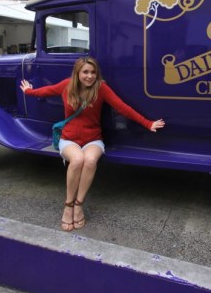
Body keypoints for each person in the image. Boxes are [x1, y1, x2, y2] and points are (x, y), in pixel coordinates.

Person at [19, 57, 165, 231]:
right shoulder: (67, 85)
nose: (89, 76)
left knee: (89, 161)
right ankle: (68, 206)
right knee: (78, 160)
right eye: (85, 72)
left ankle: (79, 205)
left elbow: (122, 107)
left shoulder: (101, 88)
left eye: (93, 72)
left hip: (93, 139)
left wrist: (148, 123)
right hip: (69, 139)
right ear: (77, 73)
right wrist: (29, 91)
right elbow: (46, 91)